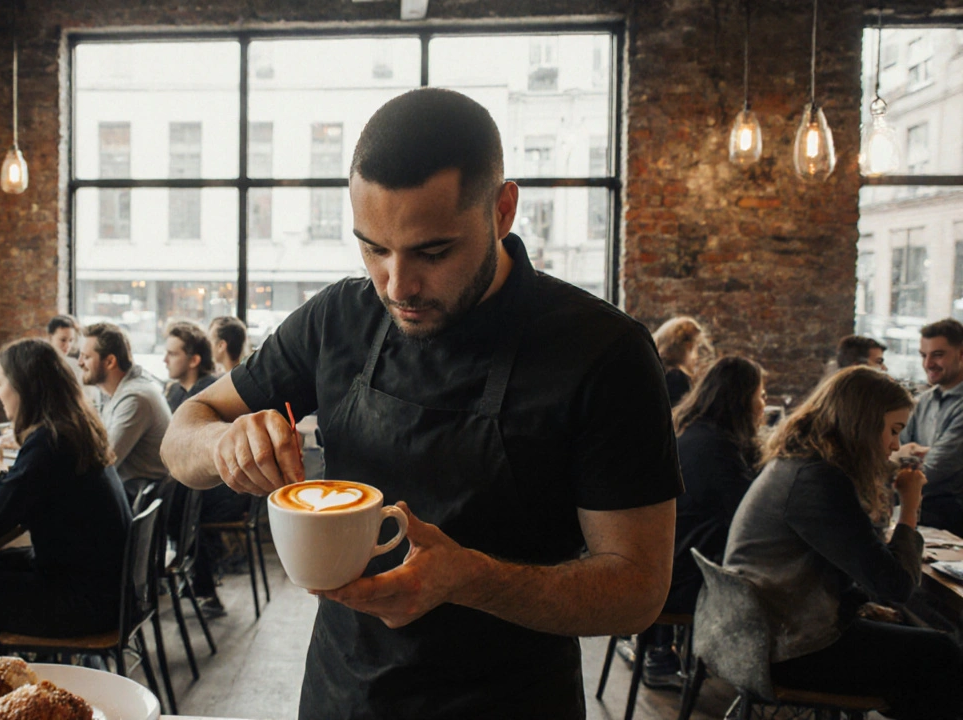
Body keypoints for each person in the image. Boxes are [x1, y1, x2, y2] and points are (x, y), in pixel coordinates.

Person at [161, 88, 681, 719]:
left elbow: (638, 590)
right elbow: (182, 434)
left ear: (502, 210)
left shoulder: (604, 353)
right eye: (373, 248)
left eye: (433, 252)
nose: (398, 285)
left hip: (511, 703)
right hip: (343, 692)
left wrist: (471, 579)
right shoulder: (339, 318)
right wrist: (223, 444)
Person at [724, 366, 963, 719]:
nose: (895, 445)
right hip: (787, 648)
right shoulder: (819, 480)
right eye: (893, 431)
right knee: (941, 653)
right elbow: (894, 583)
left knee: (920, 644)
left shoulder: (799, 463)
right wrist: (911, 506)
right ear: (863, 424)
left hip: (758, 634)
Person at [0, 338, 131, 669]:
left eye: (1, 384)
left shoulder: (49, 442)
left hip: (82, 602)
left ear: (24, 388)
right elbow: (28, 487)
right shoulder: (72, 428)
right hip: (106, 588)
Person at [641, 356, 765, 689]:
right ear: (742, 400)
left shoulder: (694, 433)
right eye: (761, 395)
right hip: (684, 579)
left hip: (666, 563)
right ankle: (757, 673)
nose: (764, 405)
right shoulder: (718, 449)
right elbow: (751, 516)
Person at [78, 322, 171, 497]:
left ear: (110, 361)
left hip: (135, 498)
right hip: (128, 493)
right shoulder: (117, 392)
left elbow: (104, 461)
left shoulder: (134, 398)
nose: (79, 363)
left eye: (86, 357)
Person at [898, 319, 963, 535]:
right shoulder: (924, 401)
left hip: (952, 517)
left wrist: (903, 466)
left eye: (937, 354)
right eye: (923, 355)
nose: (927, 364)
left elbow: (933, 470)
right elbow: (896, 452)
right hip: (919, 509)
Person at [653, 316, 710, 406]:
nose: (697, 357)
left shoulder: (655, 370)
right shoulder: (676, 379)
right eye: (696, 347)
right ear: (688, 347)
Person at [163, 321, 218, 413]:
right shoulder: (175, 390)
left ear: (194, 361)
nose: (165, 360)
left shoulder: (208, 394)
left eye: (172, 354)